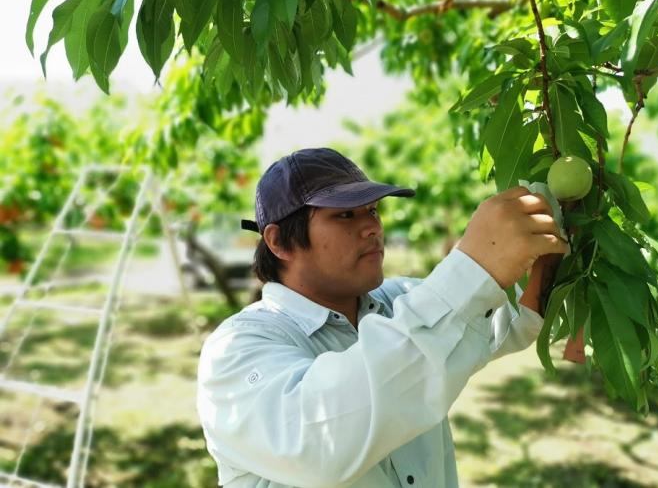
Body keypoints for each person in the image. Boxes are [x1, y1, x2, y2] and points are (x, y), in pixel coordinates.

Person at [197, 147, 568, 488]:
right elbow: (319, 442)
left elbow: (504, 321)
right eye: (344, 214)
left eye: (372, 210)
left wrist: (551, 251)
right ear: (278, 242)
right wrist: (470, 270)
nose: (373, 227)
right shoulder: (237, 350)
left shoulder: (397, 302)